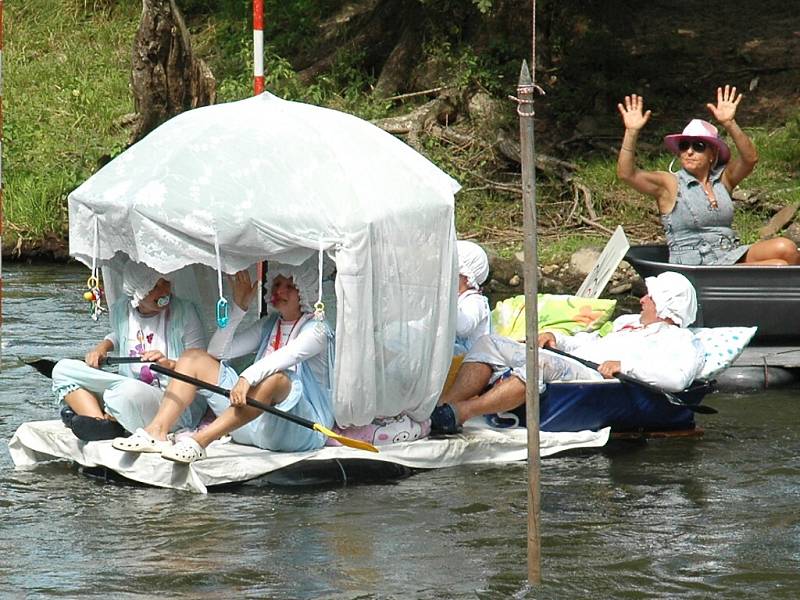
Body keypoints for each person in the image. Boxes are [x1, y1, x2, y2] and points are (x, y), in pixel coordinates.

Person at [111, 260, 335, 463]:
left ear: (305, 292)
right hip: (248, 423)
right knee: (193, 358)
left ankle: (199, 442)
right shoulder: (269, 324)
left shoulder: (318, 330)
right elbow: (217, 352)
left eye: (289, 286)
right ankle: (156, 432)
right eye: (277, 284)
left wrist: (247, 377)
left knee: (277, 379)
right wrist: (239, 307)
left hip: (298, 430)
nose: (279, 290)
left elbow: (288, 356)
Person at [430, 272, 705, 434]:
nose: (642, 300)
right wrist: (558, 339)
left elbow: (677, 380)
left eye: (651, 297)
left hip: (600, 378)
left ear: (668, 307)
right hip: (578, 361)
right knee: (489, 342)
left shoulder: (681, 341)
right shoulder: (627, 324)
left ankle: (461, 412)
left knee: (536, 363)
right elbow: (590, 342)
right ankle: (441, 407)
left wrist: (625, 366)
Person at [617, 85, 800, 266]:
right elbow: (626, 174)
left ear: (712, 154)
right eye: (684, 146)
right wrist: (631, 132)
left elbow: (750, 159)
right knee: (778, 265)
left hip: (729, 253)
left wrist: (729, 123)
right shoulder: (670, 183)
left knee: (787, 248)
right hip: (698, 263)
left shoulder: (723, 180)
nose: (689, 151)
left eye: (698, 146)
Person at [51, 260, 207, 441]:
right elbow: (120, 335)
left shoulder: (185, 312)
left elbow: (200, 363)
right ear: (138, 293)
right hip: (130, 389)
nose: (165, 291)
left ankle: (104, 416)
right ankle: (102, 423)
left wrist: (170, 364)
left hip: (173, 403)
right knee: (62, 369)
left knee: (126, 391)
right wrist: (103, 348)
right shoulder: (122, 310)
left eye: (166, 282)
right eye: (155, 286)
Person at [453, 240, 491, 355]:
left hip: (471, 360)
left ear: (467, 278)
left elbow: (463, 328)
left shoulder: (475, 301)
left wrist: (447, 302)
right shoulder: (457, 299)